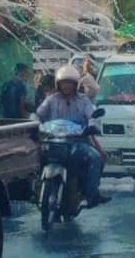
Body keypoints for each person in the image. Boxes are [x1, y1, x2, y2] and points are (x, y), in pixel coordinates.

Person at [36, 65, 110, 208]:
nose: (67, 86)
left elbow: (92, 114)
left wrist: (93, 125)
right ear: (58, 84)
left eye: (70, 83)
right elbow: (39, 113)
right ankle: (36, 189)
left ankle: (91, 195)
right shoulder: (51, 100)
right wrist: (34, 121)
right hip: (54, 142)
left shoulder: (83, 100)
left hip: (77, 141)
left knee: (95, 157)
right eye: (64, 82)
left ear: (75, 84)